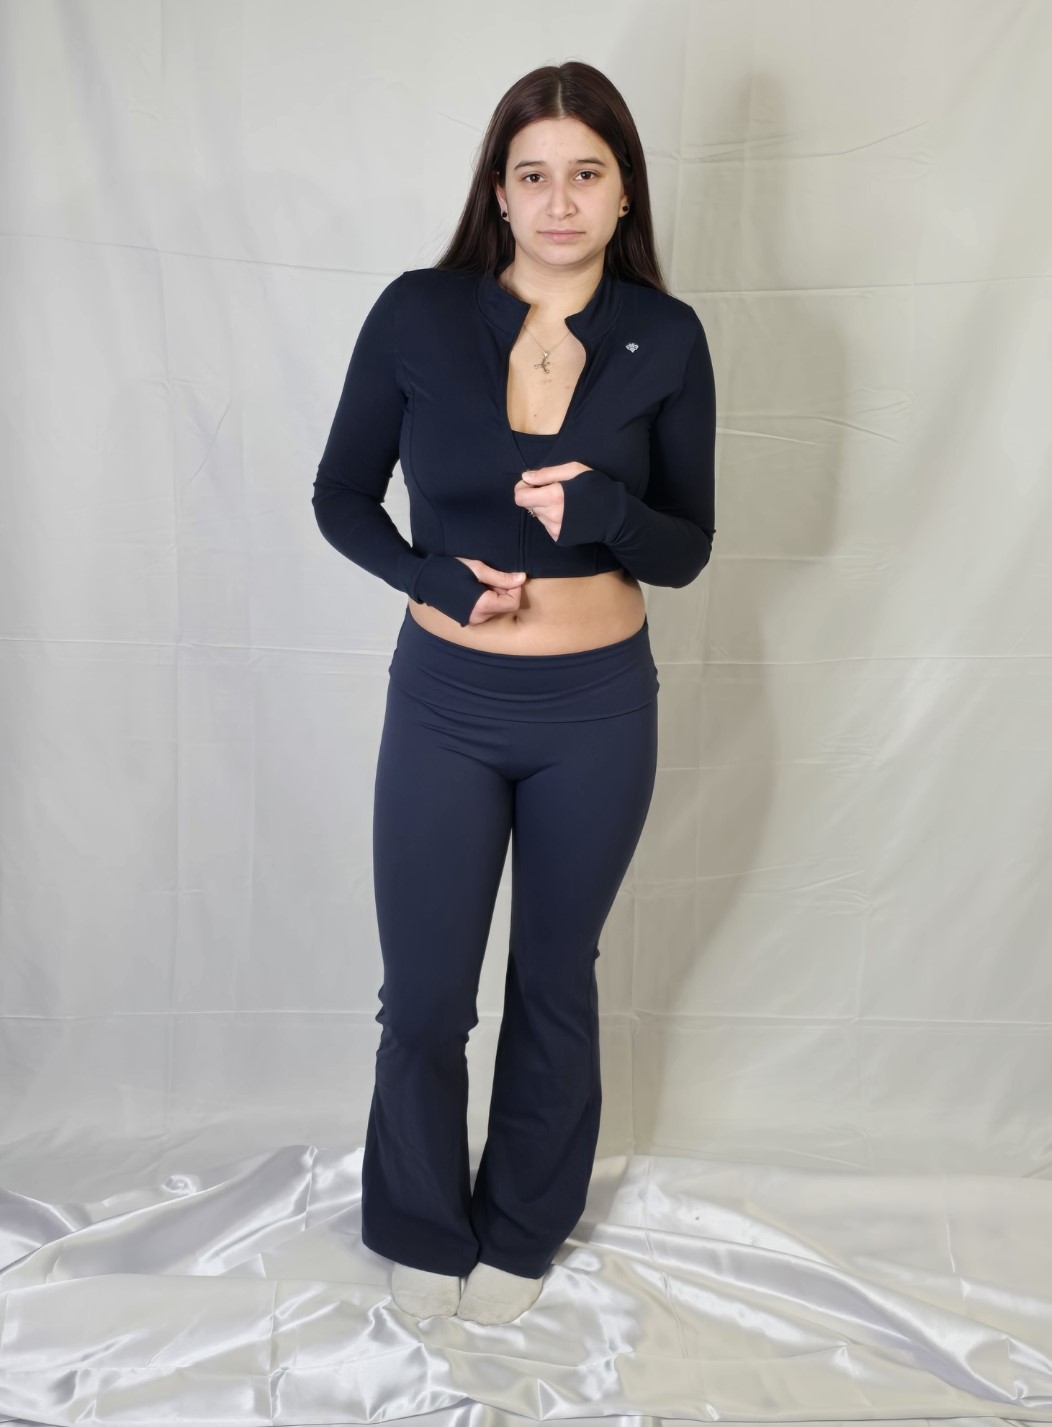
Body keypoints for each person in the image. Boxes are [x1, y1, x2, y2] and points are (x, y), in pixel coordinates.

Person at [312, 60, 717, 1326]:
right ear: (496, 190)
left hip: (596, 713)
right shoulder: (418, 312)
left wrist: (605, 511)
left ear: (622, 190)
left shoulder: (666, 335)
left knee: (553, 977)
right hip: (444, 701)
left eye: (585, 174)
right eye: (532, 175)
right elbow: (339, 494)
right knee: (426, 992)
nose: (558, 201)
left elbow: (687, 547)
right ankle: (418, 1219)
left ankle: (525, 1223)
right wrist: (425, 574)